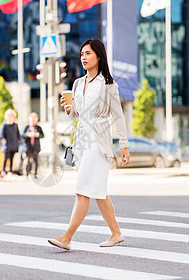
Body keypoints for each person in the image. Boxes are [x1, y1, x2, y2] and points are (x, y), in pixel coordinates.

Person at [48, 38, 130, 251]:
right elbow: (76, 115)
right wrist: (69, 109)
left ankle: (67, 237)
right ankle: (116, 233)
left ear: (99, 56)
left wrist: (124, 145)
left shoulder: (108, 84)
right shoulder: (77, 83)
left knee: (82, 189)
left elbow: (118, 117)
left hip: (99, 140)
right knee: (98, 192)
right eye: (82, 54)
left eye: (88, 54)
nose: (83, 57)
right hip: (82, 142)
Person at [0, 109, 21, 178]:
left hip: (14, 144)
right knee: (6, 158)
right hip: (7, 144)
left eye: (11, 116)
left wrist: (18, 141)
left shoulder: (15, 125)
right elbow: (1, 135)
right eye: (9, 116)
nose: (10, 117)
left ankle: (10, 171)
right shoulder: (4, 125)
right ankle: (3, 171)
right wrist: (3, 140)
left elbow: (18, 134)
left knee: (12, 159)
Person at [22, 112, 45, 177]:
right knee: (27, 160)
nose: (33, 120)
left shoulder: (38, 128)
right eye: (32, 119)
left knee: (36, 161)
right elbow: (22, 135)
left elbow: (42, 135)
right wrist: (28, 135)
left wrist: (37, 135)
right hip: (28, 146)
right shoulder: (27, 127)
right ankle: (26, 174)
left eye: (34, 119)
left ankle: (35, 174)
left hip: (35, 147)